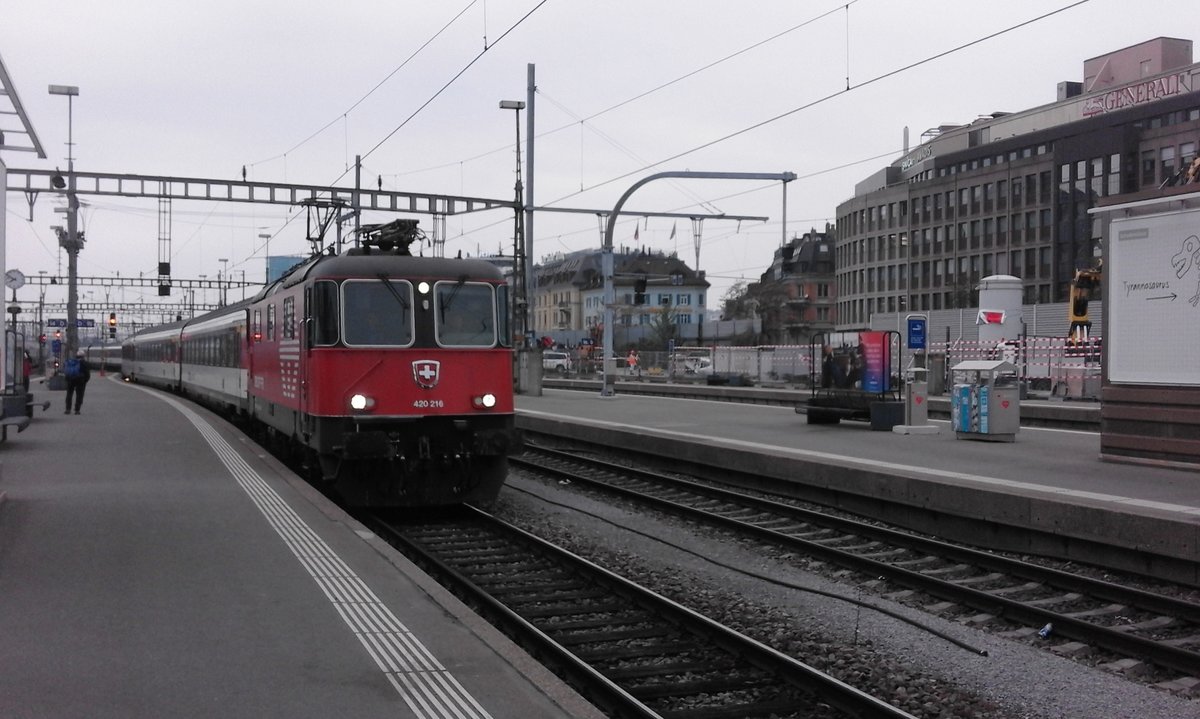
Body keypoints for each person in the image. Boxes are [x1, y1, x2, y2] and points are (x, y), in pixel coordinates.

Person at [64, 349, 91, 415]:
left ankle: (68, 409)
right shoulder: (85, 363)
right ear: (83, 356)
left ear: (76, 355)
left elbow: (66, 371)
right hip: (80, 381)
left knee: (69, 394)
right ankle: (77, 410)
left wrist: (67, 379)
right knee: (79, 395)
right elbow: (87, 374)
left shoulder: (71, 362)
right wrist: (85, 380)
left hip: (70, 380)